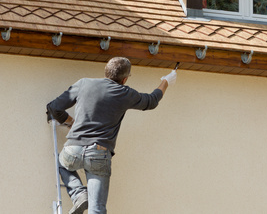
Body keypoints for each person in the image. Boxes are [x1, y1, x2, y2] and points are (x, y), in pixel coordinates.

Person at [46, 57, 177, 214]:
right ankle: (81, 196)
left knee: (60, 162)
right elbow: (152, 101)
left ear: (106, 71)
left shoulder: (84, 83)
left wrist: (70, 121)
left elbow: (54, 107)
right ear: (125, 79)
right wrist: (166, 81)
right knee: (97, 209)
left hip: (73, 150)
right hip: (100, 153)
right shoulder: (125, 93)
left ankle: (78, 194)